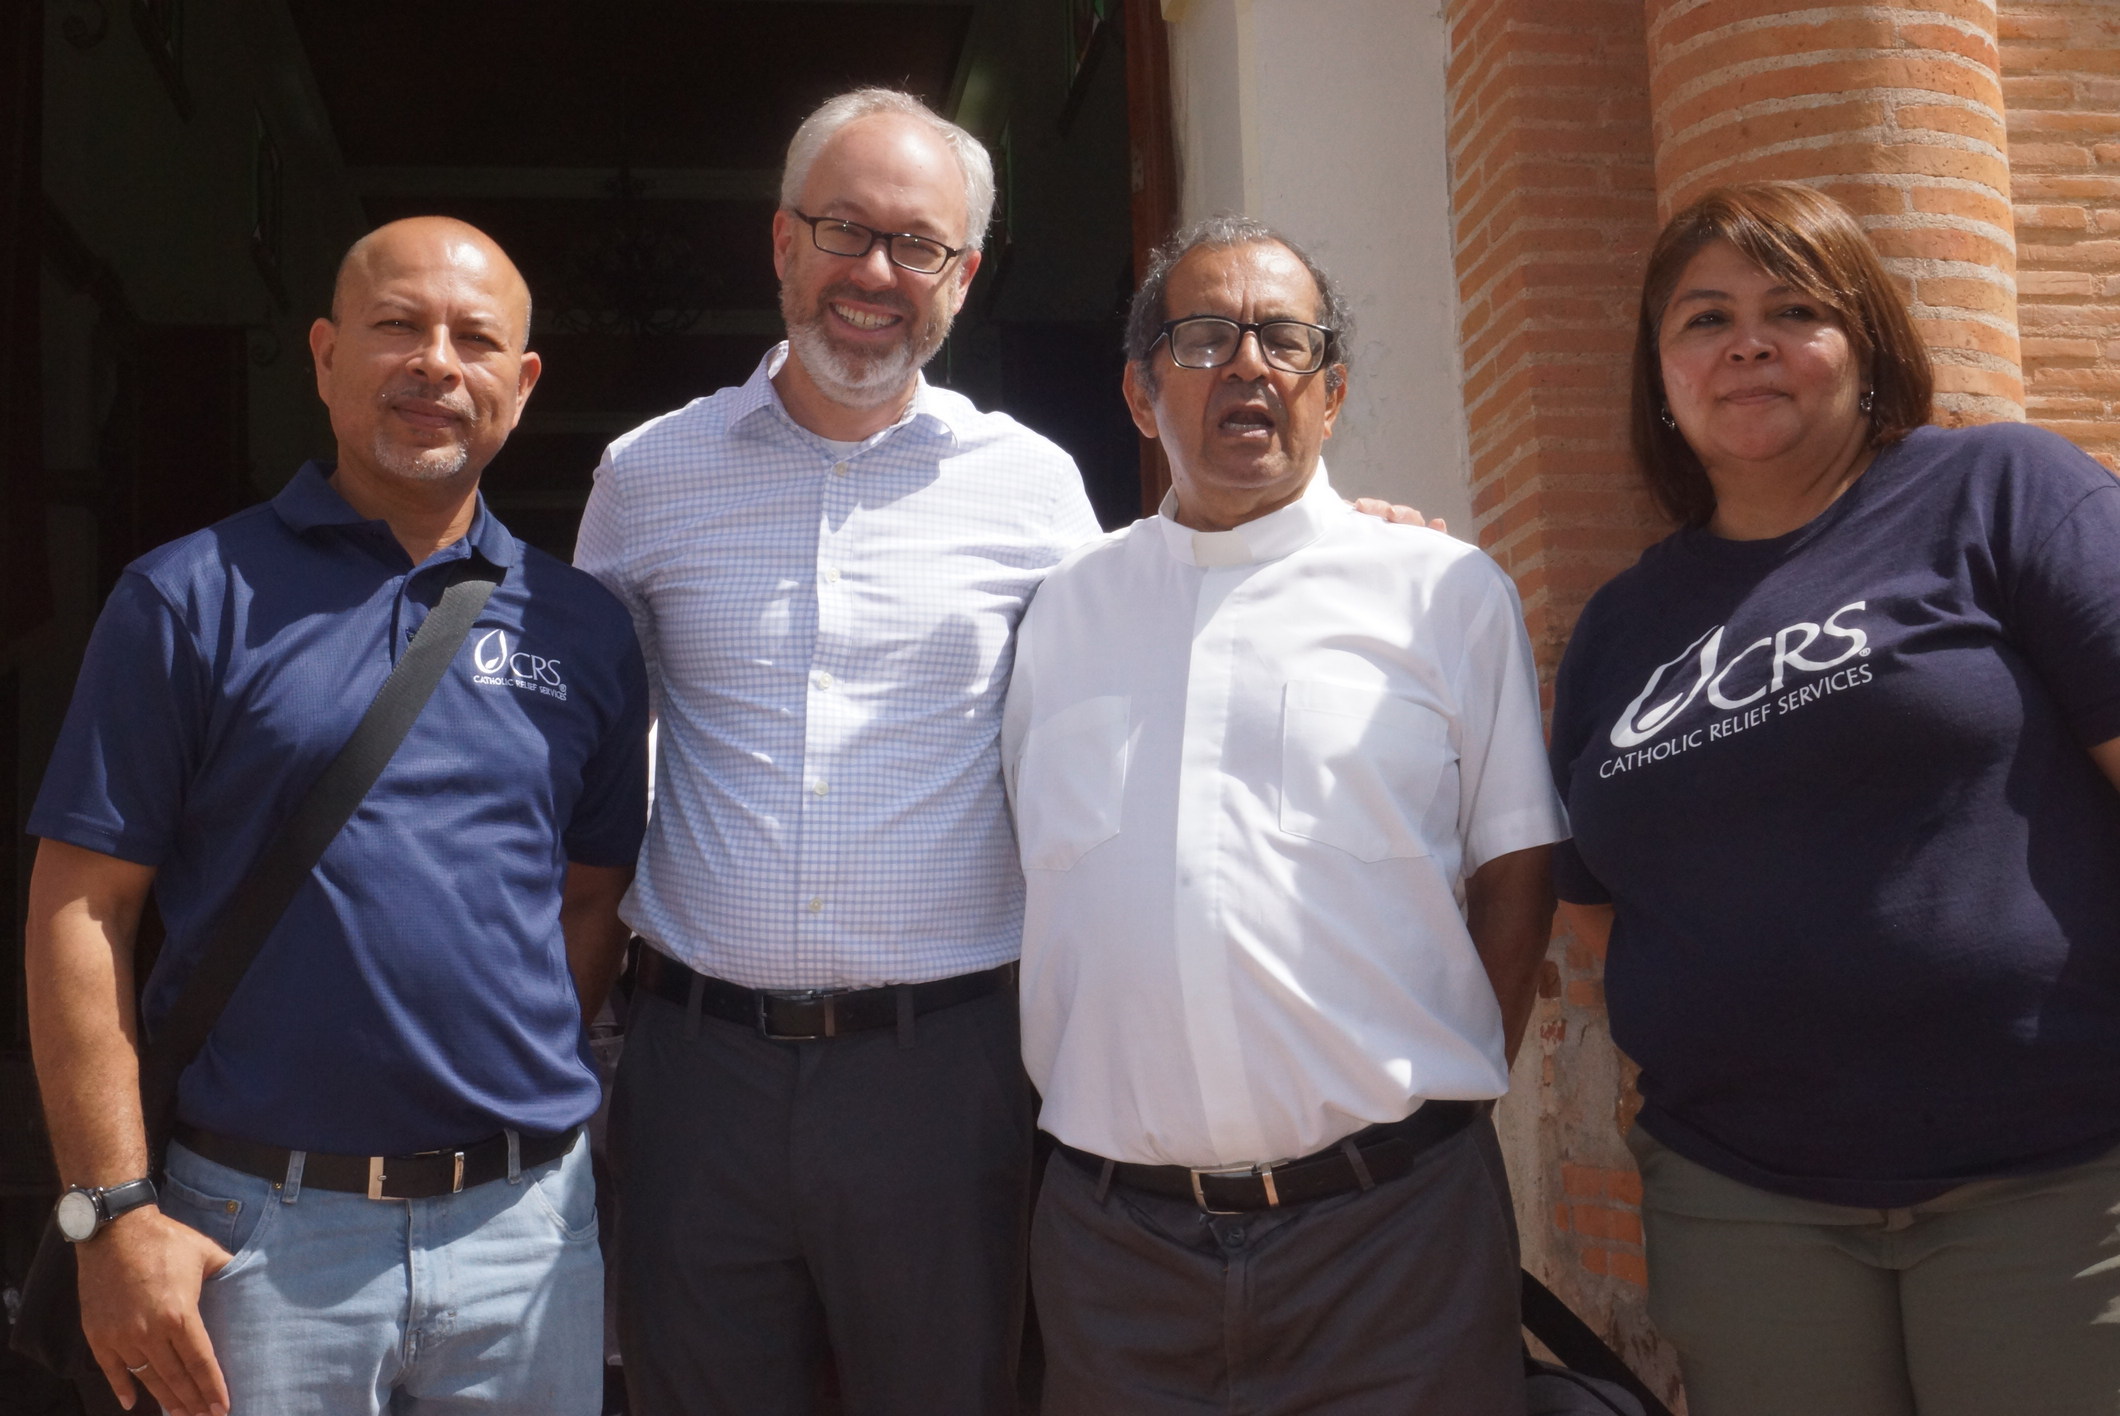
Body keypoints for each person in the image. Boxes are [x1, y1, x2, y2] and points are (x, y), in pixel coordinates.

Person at [25, 217, 649, 1416]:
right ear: (322, 357)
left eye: (475, 340)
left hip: (525, 1239)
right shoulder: (189, 597)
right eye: (396, 326)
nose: (435, 364)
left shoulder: (581, 628)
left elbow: (589, 899)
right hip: (253, 1234)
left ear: (521, 384)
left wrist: (479, 1073)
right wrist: (108, 1213)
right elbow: (81, 911)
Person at [1547, 181, 2120, 1415]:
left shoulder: (1996, 490)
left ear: (1866, 348)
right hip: (1740, 1202)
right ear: (1660, 377)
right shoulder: (1620, 626)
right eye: (1704, 318)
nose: (1745, 343)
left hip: (2052, 1179)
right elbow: (1597, 893)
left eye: (1792, 310)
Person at [572, 89, 1101, 1416]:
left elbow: (1142, 684)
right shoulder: (646, 476)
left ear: (962, 277)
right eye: (843, 229)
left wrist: (1342, 547)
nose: (875, 272)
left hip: (945, 1076)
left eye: (917, 244)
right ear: (781, 241)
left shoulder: (1034, 488)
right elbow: (571, 750)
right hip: (697, 1071)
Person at [1000, 215, 1567, 1415]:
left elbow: (1515, 868)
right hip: (1117, 1255)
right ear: (1139, 390)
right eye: (1205, 337)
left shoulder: (1441, 593)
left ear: (1332, 391)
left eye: (1285, 339)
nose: (1248, 364)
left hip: (1391, 1243)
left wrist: (1431, 1107)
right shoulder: (1062, 613)